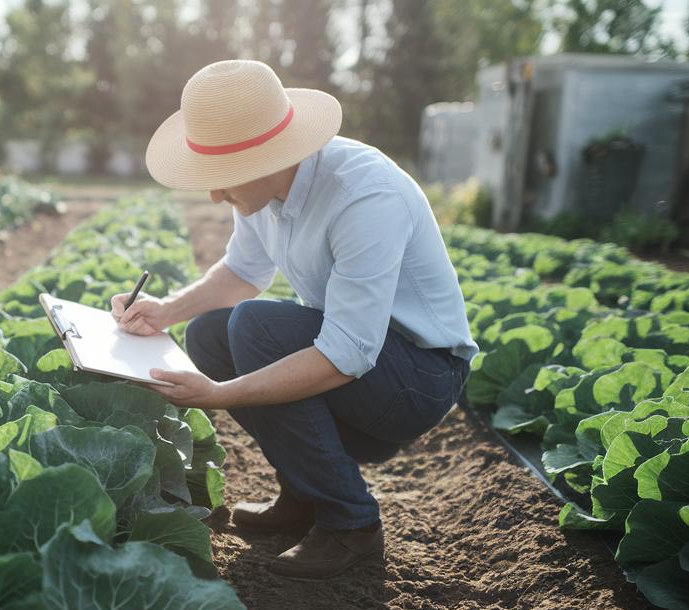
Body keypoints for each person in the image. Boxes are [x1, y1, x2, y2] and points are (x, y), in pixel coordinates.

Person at [110, 59, 478, 580]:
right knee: (207, 332)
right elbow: (242, 271)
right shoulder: (261, 188)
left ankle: (351, 524)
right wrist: (166, 311)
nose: (215, 194)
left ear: (267, 156)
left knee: (254, 327)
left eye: (223, 178)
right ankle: (305, 491)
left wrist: (220, 394)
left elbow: (348, 353)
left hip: (418, 379)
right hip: (364, 365)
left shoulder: (364, 196)